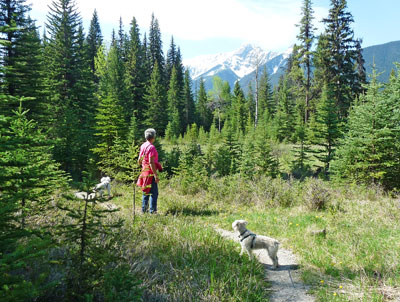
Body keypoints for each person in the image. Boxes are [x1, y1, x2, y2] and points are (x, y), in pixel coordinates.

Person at [137, 128, 162, 214]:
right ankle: (152, 212)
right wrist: (155, 175)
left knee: (145, 192)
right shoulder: (151, 147)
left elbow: (139, 160)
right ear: (153, 137)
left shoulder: (143, 146)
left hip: (144, 171)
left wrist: (143, 166)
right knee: (154, 193)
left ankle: (144, 211)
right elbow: (151, 162)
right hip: (150, 173)